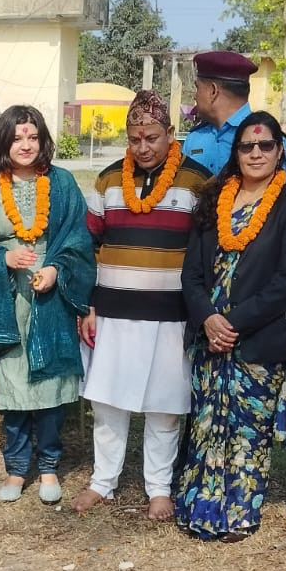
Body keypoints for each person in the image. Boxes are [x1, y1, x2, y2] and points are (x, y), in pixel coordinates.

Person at [175, 111, 286, 541]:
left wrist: (230, 323)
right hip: (209, 337)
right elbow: (191, 274)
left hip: (257, 337)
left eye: (265, 145)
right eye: (247, 146)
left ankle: (239, 514)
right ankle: (197, 503)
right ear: (235, 153)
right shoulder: (214, 199)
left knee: (247, 431)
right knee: (206, 423)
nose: (256, 153)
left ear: (279, 150)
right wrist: (208, 319)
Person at [74, 89, 206, 521]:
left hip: (171, 316)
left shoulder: (197, 182)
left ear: (171, 133)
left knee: (164, 405)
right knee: (108, 403)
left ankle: (159, 488)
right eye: (135, 139)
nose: (144, 146)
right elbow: (87, 246)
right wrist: (89, 306)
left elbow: (205, 254)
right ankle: (102, 482)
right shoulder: (109, 180)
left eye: (152, 137)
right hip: (111, 312)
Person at [0, 106, 96, 504]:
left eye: (33, 137)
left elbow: (78, 240)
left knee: (50, 382)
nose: (25, 145)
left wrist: (55, 267)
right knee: (15, 384)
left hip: (51, 297)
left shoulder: (62, 183)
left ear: (43, 141)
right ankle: (17, 469)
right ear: (4, 141)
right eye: (17, 137)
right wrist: (2, 258)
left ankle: (50, 466)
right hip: (7, 298)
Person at [181, 51, 286, 179]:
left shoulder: (269, 139)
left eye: (197, 88)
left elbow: (274, 192)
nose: (194, 96)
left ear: (213, 91)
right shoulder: (195, 138)